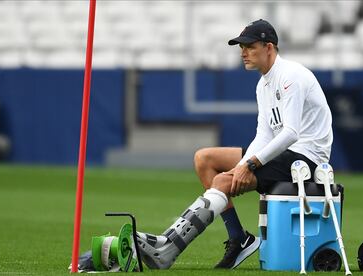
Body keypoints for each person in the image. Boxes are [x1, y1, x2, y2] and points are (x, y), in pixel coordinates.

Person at [136, 19, 333, 270]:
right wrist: (242, 167)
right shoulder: (263, 84)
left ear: (269, 47)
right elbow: (264, 135)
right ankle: (238, 237)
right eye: (242, 47)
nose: (243, 52)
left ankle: (167, 248)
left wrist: (248, 165)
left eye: (250, 46)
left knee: (221, 182)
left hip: (305, 157)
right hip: (283, 152)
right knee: (204, 159)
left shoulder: (291, 77)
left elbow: (291, 133)